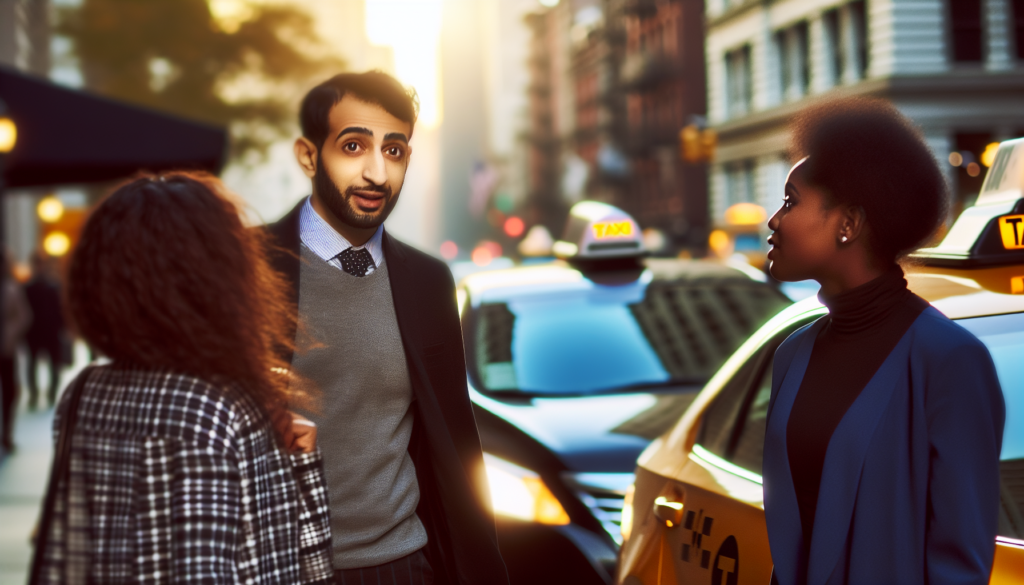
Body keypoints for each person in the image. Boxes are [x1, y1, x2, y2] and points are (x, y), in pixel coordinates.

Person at [266, 71, 508, 585]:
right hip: (275, 564)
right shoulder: (247, 266)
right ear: (309, 156)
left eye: (394, 151)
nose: (377, 173)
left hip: (400, 564)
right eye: (354, 146)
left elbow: (455, 438)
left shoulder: (427, 280)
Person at [35, 173, 334, 584]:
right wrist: (298, 467)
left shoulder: (84, 393)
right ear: (220, 277)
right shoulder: (215, 406)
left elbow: (71, 550)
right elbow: (303, 568)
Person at [762, 97, 1005, 585]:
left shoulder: (949, 361)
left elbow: (960, 560)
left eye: (790, 201)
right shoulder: (791, 354)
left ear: (848, 224)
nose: (774, 221)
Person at [24, 252, 66, 409]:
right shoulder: (28, 287)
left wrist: (63, 328)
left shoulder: (54, 286)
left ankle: (51, 393)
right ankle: (34, 394)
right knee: (32, 364)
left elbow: (61, 310)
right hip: (34, 331)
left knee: (54, 365)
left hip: (51, 331)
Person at [1, 248, 32, 452]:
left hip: (5, 349)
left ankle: (7, 433)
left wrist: (10, 335)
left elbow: (23, 316)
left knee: (9, 392)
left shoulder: (10, 288)